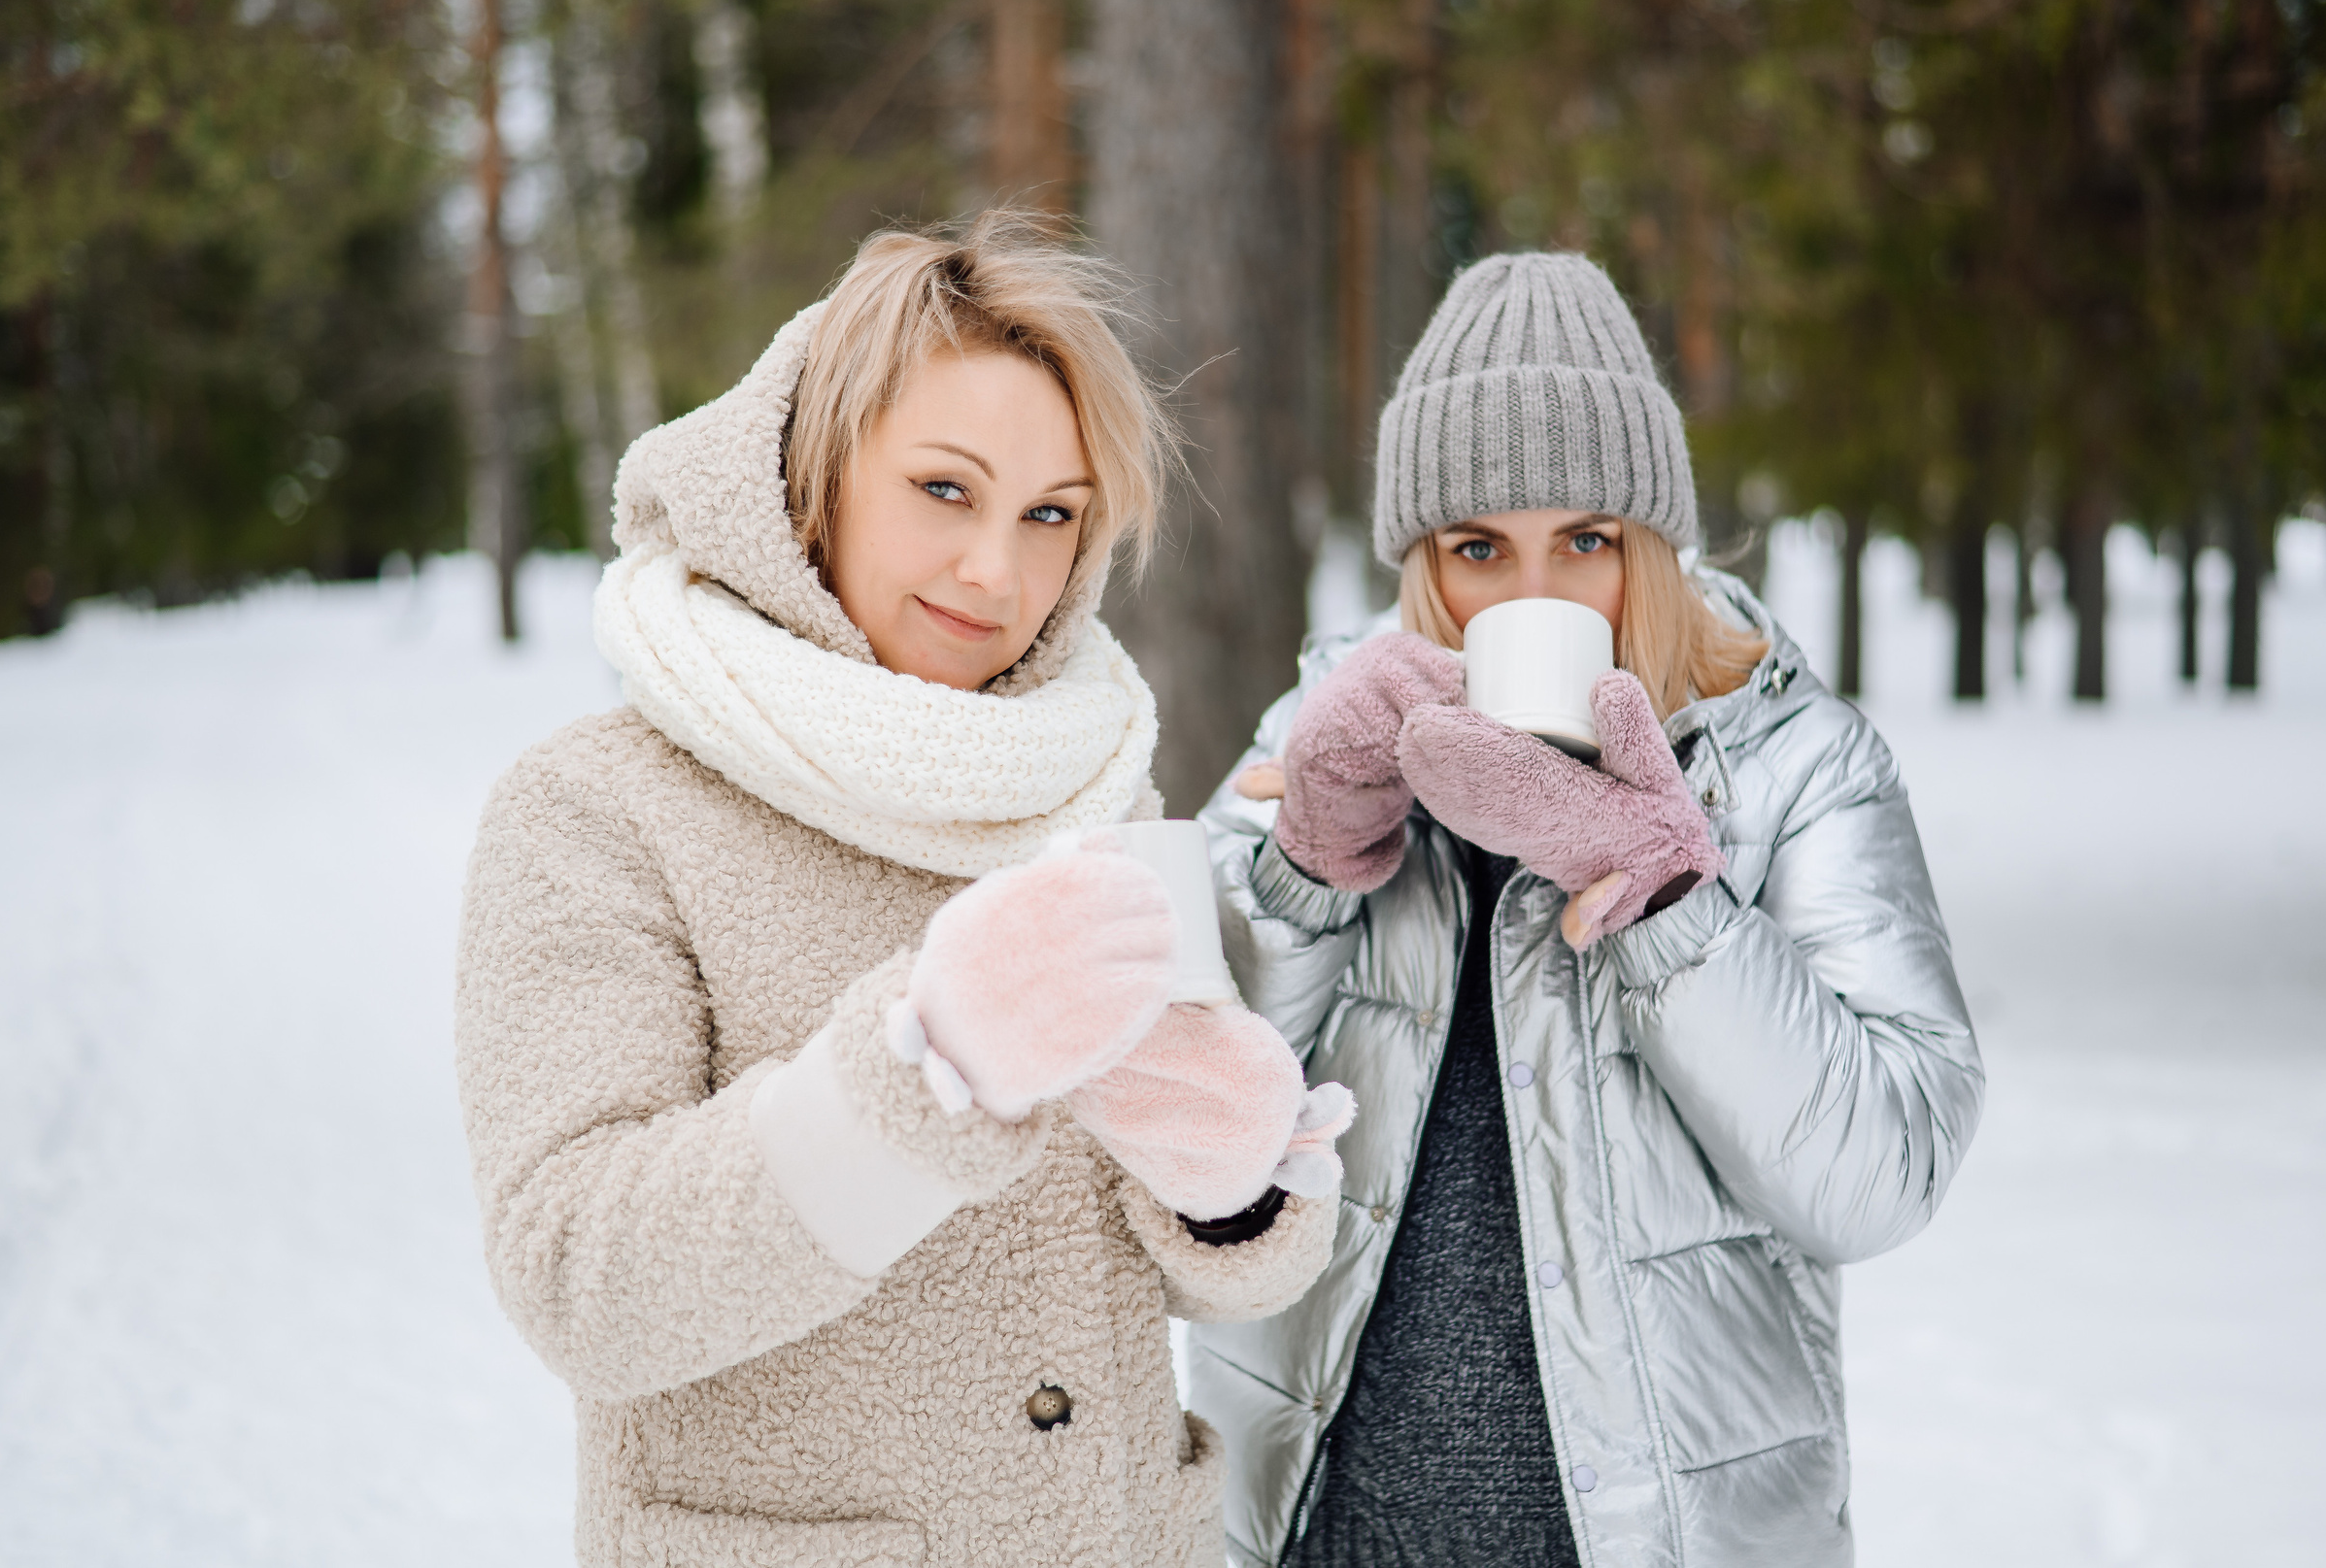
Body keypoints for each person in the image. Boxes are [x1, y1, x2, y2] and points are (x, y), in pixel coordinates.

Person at [455, 213, 1351, 1568]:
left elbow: (1169, 1265)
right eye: (946, 488)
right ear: (810, 474)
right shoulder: (597, 806)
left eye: (1051, 514)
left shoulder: (1092, 788)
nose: (999, 571)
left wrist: (1223, 1187)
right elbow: (582, 1272)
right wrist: (923, 1065)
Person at [1193, 251, 1985, 1567]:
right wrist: (1306, 868)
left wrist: (1668, 891)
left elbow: (1882, 1172)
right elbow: (1189, 1133)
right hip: (1329, 1530)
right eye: (1478, 547)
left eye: (1587, 541)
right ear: (1422, 564)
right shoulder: (1322, 736)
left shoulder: (1788, 762)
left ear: (1653, 544)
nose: (1533, 598)